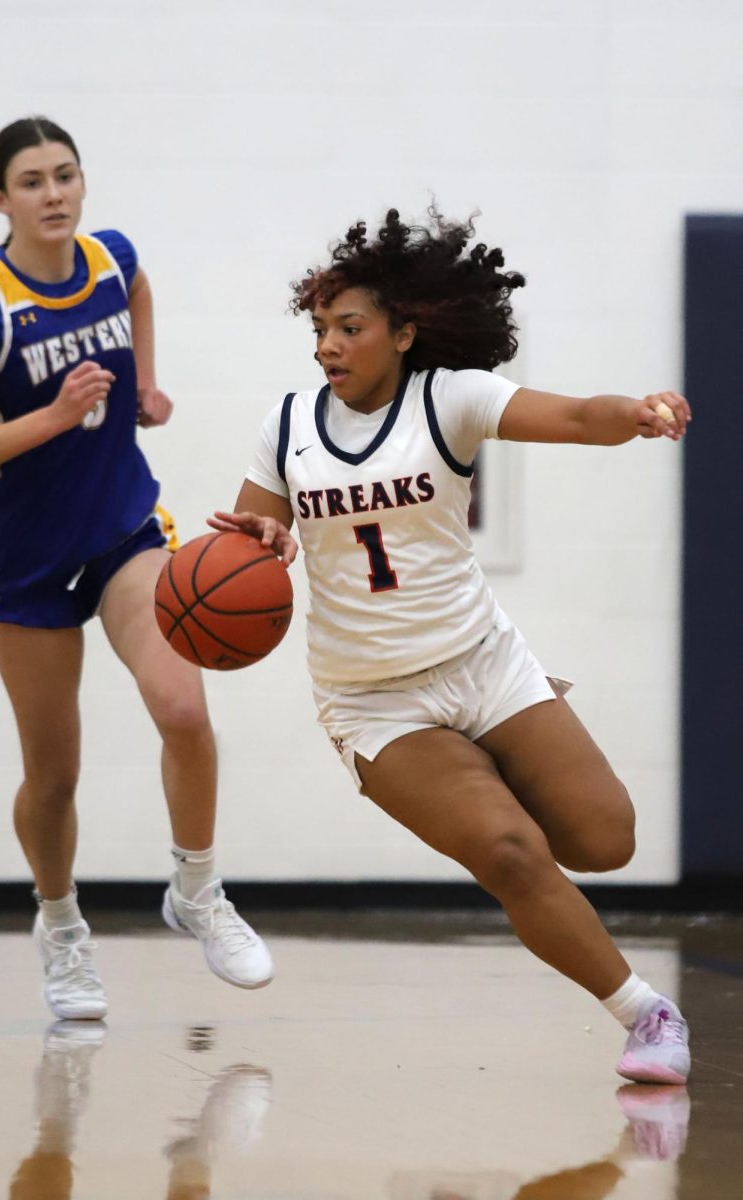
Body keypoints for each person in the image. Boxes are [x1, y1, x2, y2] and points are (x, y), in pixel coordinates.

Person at [210, 206, 691, 1084]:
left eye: (349, 328)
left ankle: (495, 771)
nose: (328, 345)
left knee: (604, 838)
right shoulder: (285, 427)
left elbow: (581, 417)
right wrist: (259, 544)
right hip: (373, 699)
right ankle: (645, 1015)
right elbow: (251, 540)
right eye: (320, 329)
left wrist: (639, 409)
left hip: (482, 663)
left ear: (402, 331)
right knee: (508, 851)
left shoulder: (450, 398)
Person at [0, 116, 272, 1021]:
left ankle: (196, 891)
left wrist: (144, 385)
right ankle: (62, 930)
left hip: (123, 527)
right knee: (54, 775)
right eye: (33, 182)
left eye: (66, 175)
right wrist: (53, 415)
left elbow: (142, 291)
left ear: (83, 184)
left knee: (184, 709)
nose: (54, 194)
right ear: (1, 200)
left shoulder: (112, 259)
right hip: (29, 558)